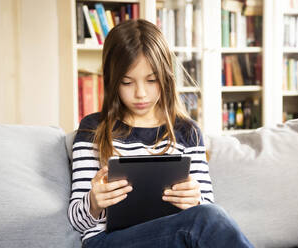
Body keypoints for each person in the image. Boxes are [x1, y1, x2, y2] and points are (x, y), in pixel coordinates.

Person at [68, 19, 253, 248]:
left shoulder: (187, 131)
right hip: (108, 242)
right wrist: (93, 203)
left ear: (165, 78)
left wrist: (194, 199)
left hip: (172, 238)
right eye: (127, 82)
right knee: (207, 219)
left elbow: (205, 210)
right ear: (112, 81)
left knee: (207, 216)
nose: (141, 93)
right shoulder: (92, 129)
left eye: (152, 80)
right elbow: (77, 222)